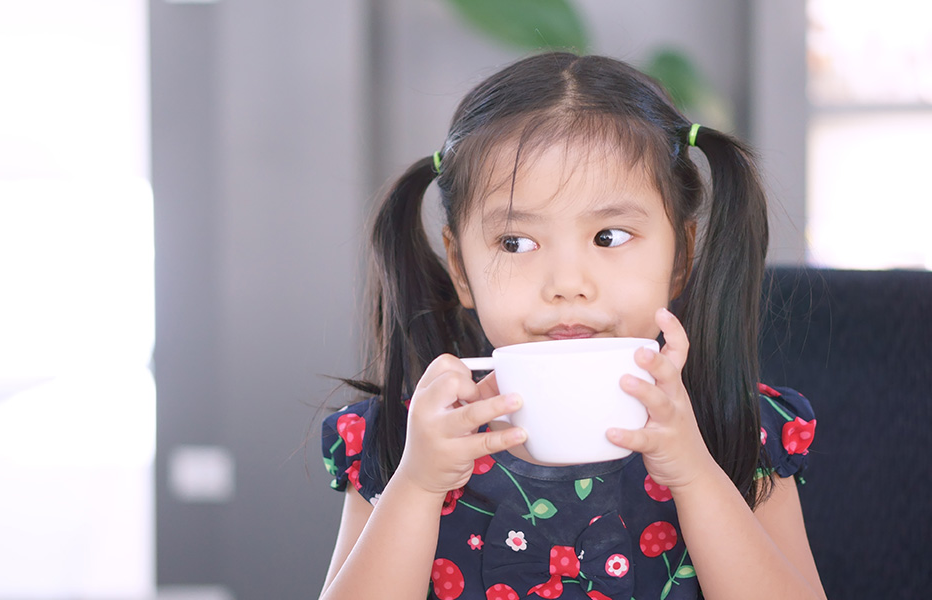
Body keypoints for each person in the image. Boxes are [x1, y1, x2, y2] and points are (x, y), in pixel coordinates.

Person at [318, 52, 825, 600]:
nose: (567, 283)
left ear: (681, 257)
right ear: (461, 269)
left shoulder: (742, 430)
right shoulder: (405, 438)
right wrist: (415, 485)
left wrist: (694, 473)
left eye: (609, 236)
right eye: (516, 243)